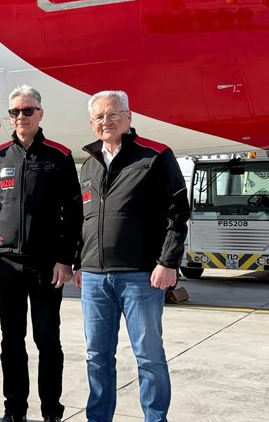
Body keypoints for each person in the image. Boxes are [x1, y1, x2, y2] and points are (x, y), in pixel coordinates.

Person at [73, 90, 190, 422]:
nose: (106, 121)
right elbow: (84, 219)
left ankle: (155, 418)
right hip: (94, 277)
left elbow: (178, 214)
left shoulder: (155, 156)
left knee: (149, 357)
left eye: (113, 114)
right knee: (97, 357)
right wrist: (79, 262)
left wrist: (168, 262)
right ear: (92, 123)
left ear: (128, 117)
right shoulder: (89, 164)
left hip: (140, 275)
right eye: (99, 117)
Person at [0, 85, 82, 422]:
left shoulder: (58, 157)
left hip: (46, 266)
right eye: (15, 112)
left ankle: (51, 410)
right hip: (7, 264)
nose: (21, 116)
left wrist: (66, 259)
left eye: (27, 110)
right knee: (12, 341)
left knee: (48, 340)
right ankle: (14, 409)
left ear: (40, 113)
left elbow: (74, 213)